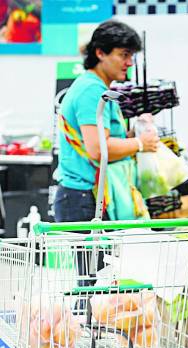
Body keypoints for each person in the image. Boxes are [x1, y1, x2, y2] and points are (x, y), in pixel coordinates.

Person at [54, 20, 159, 287]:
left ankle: (96, 327)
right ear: (100, 53)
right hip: (83, 198)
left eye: (131, 56)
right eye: (123, 55)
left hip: (86, 196)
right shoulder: (91, 90)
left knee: (99, 281)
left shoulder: (97, 88)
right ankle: (90, 328)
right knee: (95, 283)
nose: (129, 63)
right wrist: (140, 144)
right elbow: (97, 148)